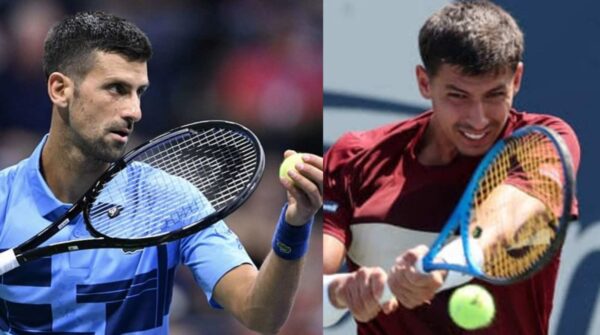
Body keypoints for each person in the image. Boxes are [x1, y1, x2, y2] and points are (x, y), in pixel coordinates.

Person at [0, 11, 323, 335]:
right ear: (60, 90)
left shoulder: (173, 201)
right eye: (116, 89)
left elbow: (260, 313)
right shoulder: (4, 200)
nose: (134, 111)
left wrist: (294, 227)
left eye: (138, 93)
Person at [322, 1, 580, 334]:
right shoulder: (355, 156)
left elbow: (506, 220)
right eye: (458, 95)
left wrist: (443, 265)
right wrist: (343, 292)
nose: (478, 118)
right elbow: (311, 291)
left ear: (516, 79)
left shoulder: (543, 141)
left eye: (494, 95)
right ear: (424, 82)